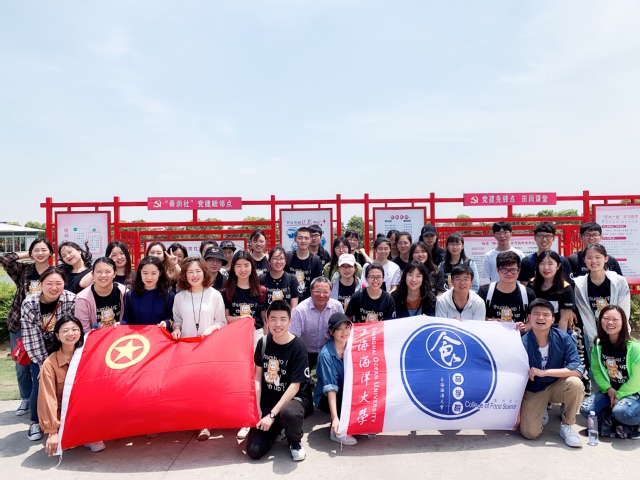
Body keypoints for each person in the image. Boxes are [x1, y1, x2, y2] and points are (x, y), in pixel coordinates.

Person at [246, 300, 311, 462]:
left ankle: (294, 441)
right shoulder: (263, 343)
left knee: (289, 413)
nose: (278, 324)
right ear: (267, 320)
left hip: (293, 400)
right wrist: (257, 408)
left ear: (290, 321)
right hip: (268, 400)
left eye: (283, 319)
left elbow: (295, 387)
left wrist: (272, 414)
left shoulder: (298, 347)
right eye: (273, 319)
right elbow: (257, 377)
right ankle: (277, 428)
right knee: (254, 451)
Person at [171, 256, 227, 442]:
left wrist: (211, 329)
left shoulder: (215, 295)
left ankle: (205, 423)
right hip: (187, 347)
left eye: (198, 271)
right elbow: (177, 319)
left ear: (204, 273)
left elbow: (221, 321)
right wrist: (177, 328)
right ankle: (192, 419)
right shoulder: (179, 297)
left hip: (209, 347)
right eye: (190, 272)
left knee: (206, 384)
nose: (194, 275)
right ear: (184, 275)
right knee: (191, 385)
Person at [518, 299, 585, 447]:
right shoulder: (521, 342)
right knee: (530, 433)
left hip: (557, 385)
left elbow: (577, 369)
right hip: (534, 389)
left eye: (546, 315)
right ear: (529, 317)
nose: (541, 318)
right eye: (536, 314)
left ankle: (567, 425)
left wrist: (545, 372)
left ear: (553, 319)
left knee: (575, 383)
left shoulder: (563, 338)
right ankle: (541, 407)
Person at [21, 267, 76, 441]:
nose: (54, 287)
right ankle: (35, 421)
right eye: (49, 283)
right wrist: (45, 365)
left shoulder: (70, 299)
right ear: (41, 284)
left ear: (64, 284)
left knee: (67, 383)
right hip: (38, 347)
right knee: (40, 382)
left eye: (58, 283)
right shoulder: (30, 303)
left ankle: (66, 419)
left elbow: (73, 328)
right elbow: (31, 337)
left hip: (62, 345)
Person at [38, 316, 106, 455]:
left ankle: (89, 432)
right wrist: (52, 431)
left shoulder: (88, 355)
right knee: (67, 445)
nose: (71, 334)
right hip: (64, 413)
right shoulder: (50, 364)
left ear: (80, 332)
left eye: (75, 329)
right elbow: (47, 398)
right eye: (65, 331)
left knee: (98, 444)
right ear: (58, 335)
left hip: (86, 410)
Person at [1, 239, 54, 417]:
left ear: (50, 252)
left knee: (44, 364)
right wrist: (28, 254)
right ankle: (25, 398)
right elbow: (5, 259)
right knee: (21, 364)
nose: (40, 253)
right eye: (36, 250)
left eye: (44, 250)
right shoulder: (24, 270)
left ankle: (41, 400)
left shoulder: (54, 273)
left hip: (46, 325)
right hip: (20, 324)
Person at [580, 306, 640, 439]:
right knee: (586, 410)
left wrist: (619, 394)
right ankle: (618, 424)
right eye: (606, 318)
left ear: (623, 322)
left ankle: (624, 422)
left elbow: (637, 379)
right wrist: (609, 389)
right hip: (611, 391)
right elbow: (596, 370)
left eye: (615, 319)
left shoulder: (635, 348)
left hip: (634, 393)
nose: (610, 322)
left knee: (623, 413)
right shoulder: (598, 345)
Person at [574, 244, 630, 357]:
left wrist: (615, 335)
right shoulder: (579, 284)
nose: (594, 261)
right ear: (584, 260)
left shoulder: (619, 282)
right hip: (593, 337)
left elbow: (623, 312)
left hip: (618, 335)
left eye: (598, 257)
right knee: (596, 366)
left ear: (606, 258)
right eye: (589, 258)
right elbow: (585, 315)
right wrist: (595, 340)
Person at [314, 312, 357, 446]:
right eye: (339, 329)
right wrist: (335, 418)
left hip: (347, 390)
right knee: (341, 394)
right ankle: (337, 430)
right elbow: (330, 388)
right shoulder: (326, 355)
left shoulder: (354, 346)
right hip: (328, 397)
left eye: (347, 327)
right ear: (331, 332)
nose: (345, 332)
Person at [290, 277, 344, 371]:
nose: (321, 295)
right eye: (317, 291)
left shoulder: (337, 307)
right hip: (305, 352)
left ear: (330, 292)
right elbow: (293, 337)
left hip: (329, 352)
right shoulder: (300, 310)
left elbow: (343, 331)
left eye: (325, 292)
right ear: (311, 292)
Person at [478, 251, 536, 332]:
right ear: (497, 270)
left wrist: (524, 328)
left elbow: (534, 317)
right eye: (504, 270)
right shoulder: (485, 292)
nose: (509, 274)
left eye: (513, 270)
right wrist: (490, 321)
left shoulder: (528, 294)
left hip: (519, 337)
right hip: (491, 336)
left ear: (519, 271)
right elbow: (477, 316)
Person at [223, 251, 267, 347]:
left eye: (246, 265)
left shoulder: (261, 291)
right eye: (238, 266)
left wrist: (265, 338)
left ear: (252, 266)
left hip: (256, 335)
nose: (243, 269)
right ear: (233, 267)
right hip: (234, 334)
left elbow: (264, 318)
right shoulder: (227, 292)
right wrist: (241, 319)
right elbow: (226, 317)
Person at [74, 257, 126, 332]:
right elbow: (84, 329)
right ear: (93, 274)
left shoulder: (124, 292)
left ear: (114, 274)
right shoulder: (82, 298)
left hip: (119, 335)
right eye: (99, 272)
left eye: (108, 272)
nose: (103, 275)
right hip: (94, 337)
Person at [121, 256, 175, 328]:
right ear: (140, 272)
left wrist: (167, 323)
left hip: (159, 333)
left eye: (153, 273)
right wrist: (121, 324)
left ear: (160, 273)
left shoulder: (169, 296)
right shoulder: (130, 295)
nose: (149, 277)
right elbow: (127, 318)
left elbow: (171, 318)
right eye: (145, 273)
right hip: (138, 334)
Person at [518, 222, 573, 287]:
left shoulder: (562, 261)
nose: (544, 239)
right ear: (535, 237)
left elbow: (569, 285)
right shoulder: (527, 261)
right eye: (540, 236)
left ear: (553, 238)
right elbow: (525, 287)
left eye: (548, 236)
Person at [531, 250, 574, 332]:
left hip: (556, 330)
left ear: (558, 266)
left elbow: (564, 320)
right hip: (534, 330)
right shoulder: (531, 285)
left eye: (550, 264)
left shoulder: (565, 288)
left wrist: (559, 337)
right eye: (542, 263)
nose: (546, 267)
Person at [286, 227, 323, 302]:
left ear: (310, 240)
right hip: (289, 301)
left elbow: (318, 284)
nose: (303, 241)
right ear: (295, 240)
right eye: (300, 238)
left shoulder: (316, 260)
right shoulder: (288, 257)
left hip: (308, 302)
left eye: (306, 238)